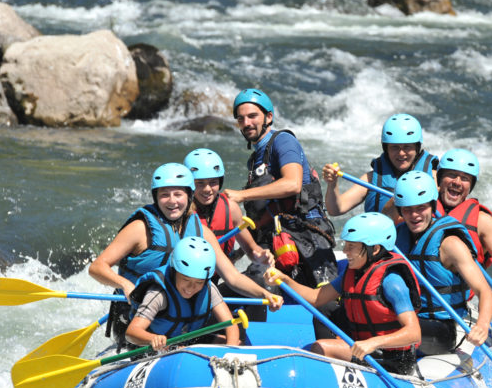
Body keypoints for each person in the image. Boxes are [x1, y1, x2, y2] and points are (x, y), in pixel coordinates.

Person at [89, 162, 280, 348]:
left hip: (183, 319)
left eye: (178, 194)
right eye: (165, 195)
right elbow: (97, 267)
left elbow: (232, 277)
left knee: (239, 342)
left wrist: (264, 294)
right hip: (139, 320)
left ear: (189, 196)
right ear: (156, 197)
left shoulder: (201, 231)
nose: (172, 201)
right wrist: (126, 285)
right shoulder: (140, 229)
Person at [265, 212, 422, 374]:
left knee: (321, 348)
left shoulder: (392, 282)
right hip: (366, 346)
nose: (345, 251)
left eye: (352, 246)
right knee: (325, 308)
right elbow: (316, 298)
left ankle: (329, 376)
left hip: (392, 358)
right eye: (346, 245)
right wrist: (284, 279)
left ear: (374, 249)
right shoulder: (353, 272)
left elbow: (414, 333)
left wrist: (373, 343)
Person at [223, 88, 337, 289]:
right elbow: (268, 212)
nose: (247, 123)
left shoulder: (283, 141)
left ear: (268, 117)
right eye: (241, 119)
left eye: (252, 116)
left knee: (327, 301)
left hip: (307, 237)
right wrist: (239, 253)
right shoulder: (255, 160)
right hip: (276, 241)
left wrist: (241, 195)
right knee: (244, 287)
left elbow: (292, 184)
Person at [392, 170, 492, 355]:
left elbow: (484, 291)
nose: (414, 215)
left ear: (432, 206)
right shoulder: (397, 236)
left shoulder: (450, 244)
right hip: (406, 318)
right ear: (400, 211)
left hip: (439, 328)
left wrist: (482, 325)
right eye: (407, 209)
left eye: (421, 208)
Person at [435, 149, 492, 311]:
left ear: (471, 186)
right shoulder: (418, 210)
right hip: (416, 300)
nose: (457, 182)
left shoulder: (482, 222)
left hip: (457, 305)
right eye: (452, 175)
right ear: (439, 179)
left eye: (465, 178)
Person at [126, 236, 240, 350]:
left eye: (199, 282)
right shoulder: (158, 293)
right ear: (174, 271)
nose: (191, 287)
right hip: (153, 346)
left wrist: (229, 351)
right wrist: (153, 339)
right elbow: (132, 332)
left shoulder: (209, 288)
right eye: (186, 280)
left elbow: (231, 325)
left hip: (185, 341)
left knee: (237, 343)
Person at [322, 112, 438, 221]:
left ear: (417, 148)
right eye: (394, 147)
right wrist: (332, 184)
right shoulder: (370, 179)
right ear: (386, 149)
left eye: (407, 147)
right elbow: (336, 209)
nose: (401, 153)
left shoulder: (433, 177)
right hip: (380, 241)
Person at [183, 147, 265, 263]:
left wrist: (261, 256)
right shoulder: (181, 212)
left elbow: (251, 249)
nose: (207, 189)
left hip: (222, 274)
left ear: (220, 182)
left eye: (213, 182)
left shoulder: (231, 208)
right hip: (189, 277)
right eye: (200, 183)